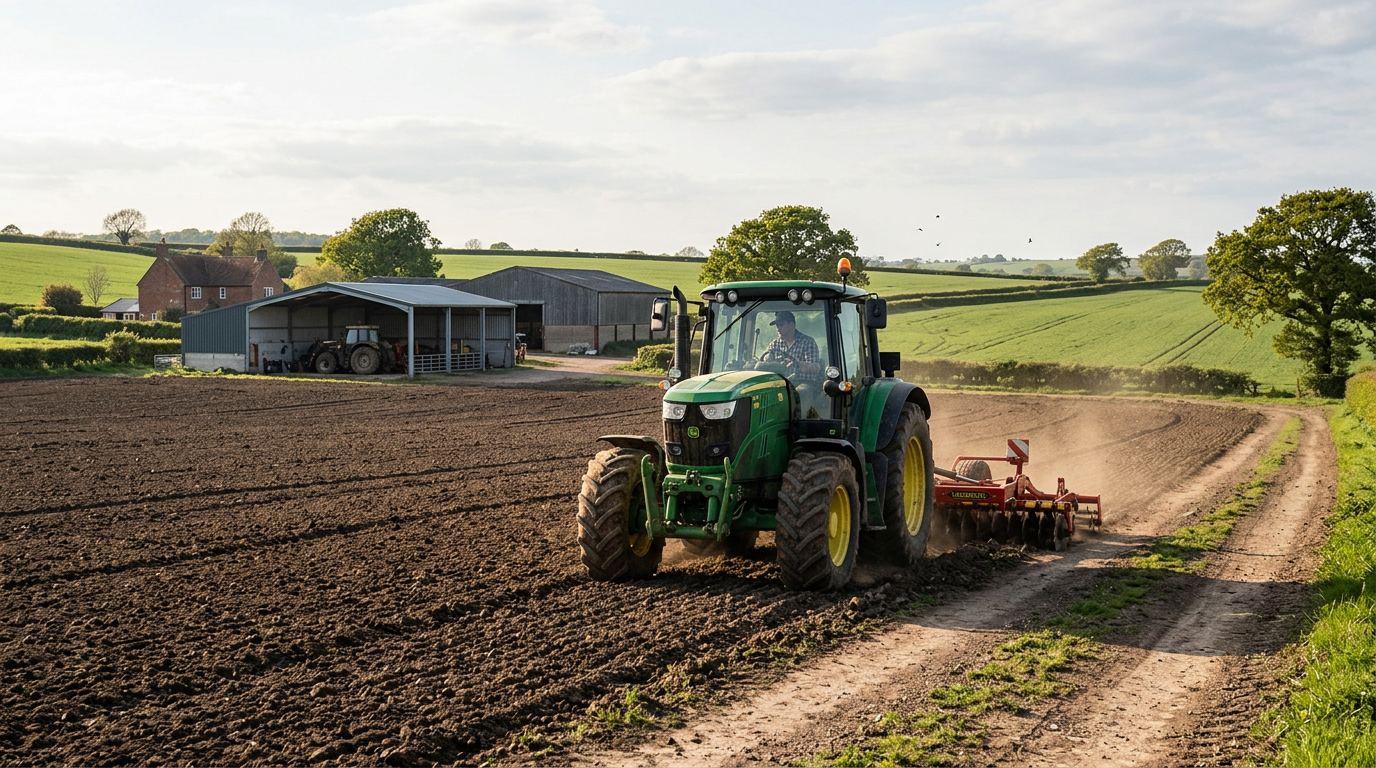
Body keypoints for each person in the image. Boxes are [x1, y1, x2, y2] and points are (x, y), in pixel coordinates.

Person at [764, 311, 826, 417]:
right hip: (781, 383)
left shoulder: (807, 342)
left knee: (801, 393)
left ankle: (798, 424)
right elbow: (765, 361)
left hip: (804, 382)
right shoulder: (774, 345)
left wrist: (799, 364)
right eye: (777, 326)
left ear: (792, 325)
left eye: (781, 325)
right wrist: (766, 360)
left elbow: (815, 367)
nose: (778, 328)